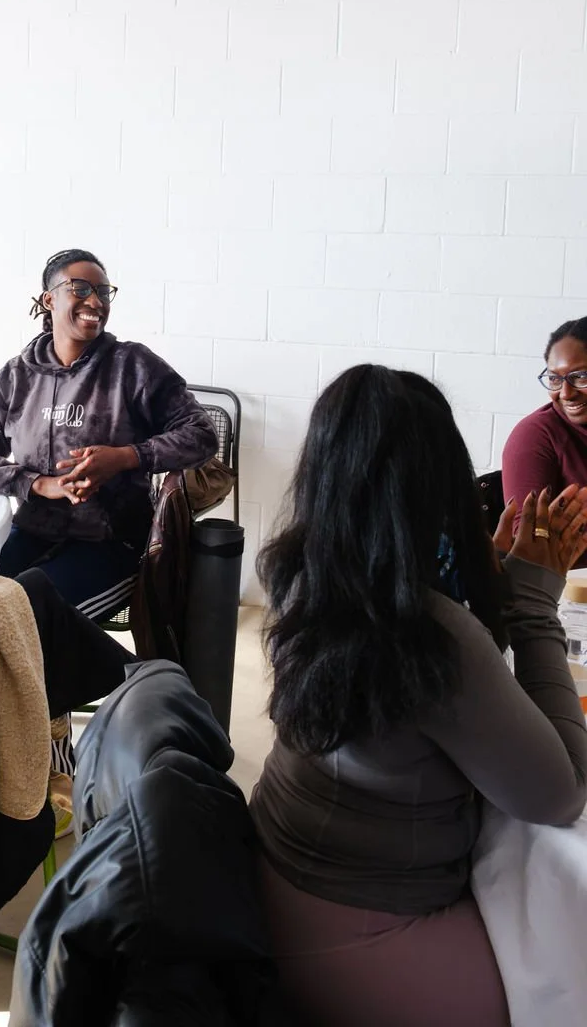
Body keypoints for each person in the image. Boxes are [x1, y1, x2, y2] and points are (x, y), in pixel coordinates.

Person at [249, 364, 587, 1027]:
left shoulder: (299, 568)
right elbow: (560, 795)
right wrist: (532, 605)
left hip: (284, 884)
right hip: (362, 934)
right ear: (440, 477)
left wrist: (494, 584)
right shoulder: (428, 633)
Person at [0, 248, 218, 625]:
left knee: (24, 623)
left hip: (112, 543)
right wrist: (38, 484)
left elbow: (202, 435)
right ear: (49, 299)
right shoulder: (15, 377)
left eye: (103, 291)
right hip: (33, 531)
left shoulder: (133, 366)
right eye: (80, 289)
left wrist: (127, 456)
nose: (95, 301)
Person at [503, 315, 587, 566]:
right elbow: (525, 546)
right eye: (554, 378)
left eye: (580, 376)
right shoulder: (535, 436)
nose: (565, 393)